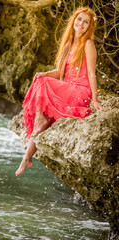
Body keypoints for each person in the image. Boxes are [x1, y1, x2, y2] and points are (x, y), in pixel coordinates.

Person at [15, 6, 102, 176]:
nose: (81, 24)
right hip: (68, 88)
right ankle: (27, 159)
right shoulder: (68, 43)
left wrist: (96, 99)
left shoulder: (88, 44)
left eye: (86, 22)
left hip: (80, 91)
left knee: (44, 91)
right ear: (73, 21)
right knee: (41, 80)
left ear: (89, 26)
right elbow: (60, 72)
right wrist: (45, 74)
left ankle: (39, 121)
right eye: (79, 19)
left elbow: (92, 74)